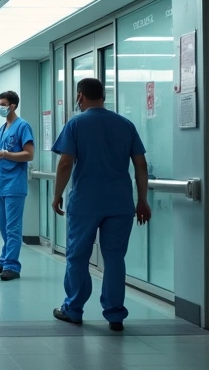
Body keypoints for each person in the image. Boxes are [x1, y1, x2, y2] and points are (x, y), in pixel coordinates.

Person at [50, 78, 151, 331]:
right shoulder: (125, 124)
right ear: (103, 96)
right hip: (119, 203)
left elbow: (64, 163)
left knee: (78, 257)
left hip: (86, 202)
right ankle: (115, 315)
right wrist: (142, 200)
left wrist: (57, 194)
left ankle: (73, 309)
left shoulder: (75, 124)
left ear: (80, 96)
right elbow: (140, 164)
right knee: (115, 258)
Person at [0, 90, 35, 281]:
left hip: (14, 185)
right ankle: (4, 260)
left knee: (13, 228)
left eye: (2, 104)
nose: (0, 107)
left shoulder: (22, 126)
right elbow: (1, 152)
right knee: (3, 228)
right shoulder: (2, 129)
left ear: (12, 105)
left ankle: (12, 266)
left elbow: (29, 154)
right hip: (1, 183)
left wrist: (2, 154)